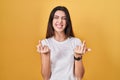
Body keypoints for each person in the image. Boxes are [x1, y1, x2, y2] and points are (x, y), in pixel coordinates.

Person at [37, 6, 91, 80]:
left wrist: (77, 56)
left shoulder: (76, 42)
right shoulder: (45, 43)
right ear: (51, 21)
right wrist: (46, 55)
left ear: (67, 22)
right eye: (56, 17)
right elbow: (46, 77)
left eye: (64, 18)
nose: (60, 21)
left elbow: (79, 77)